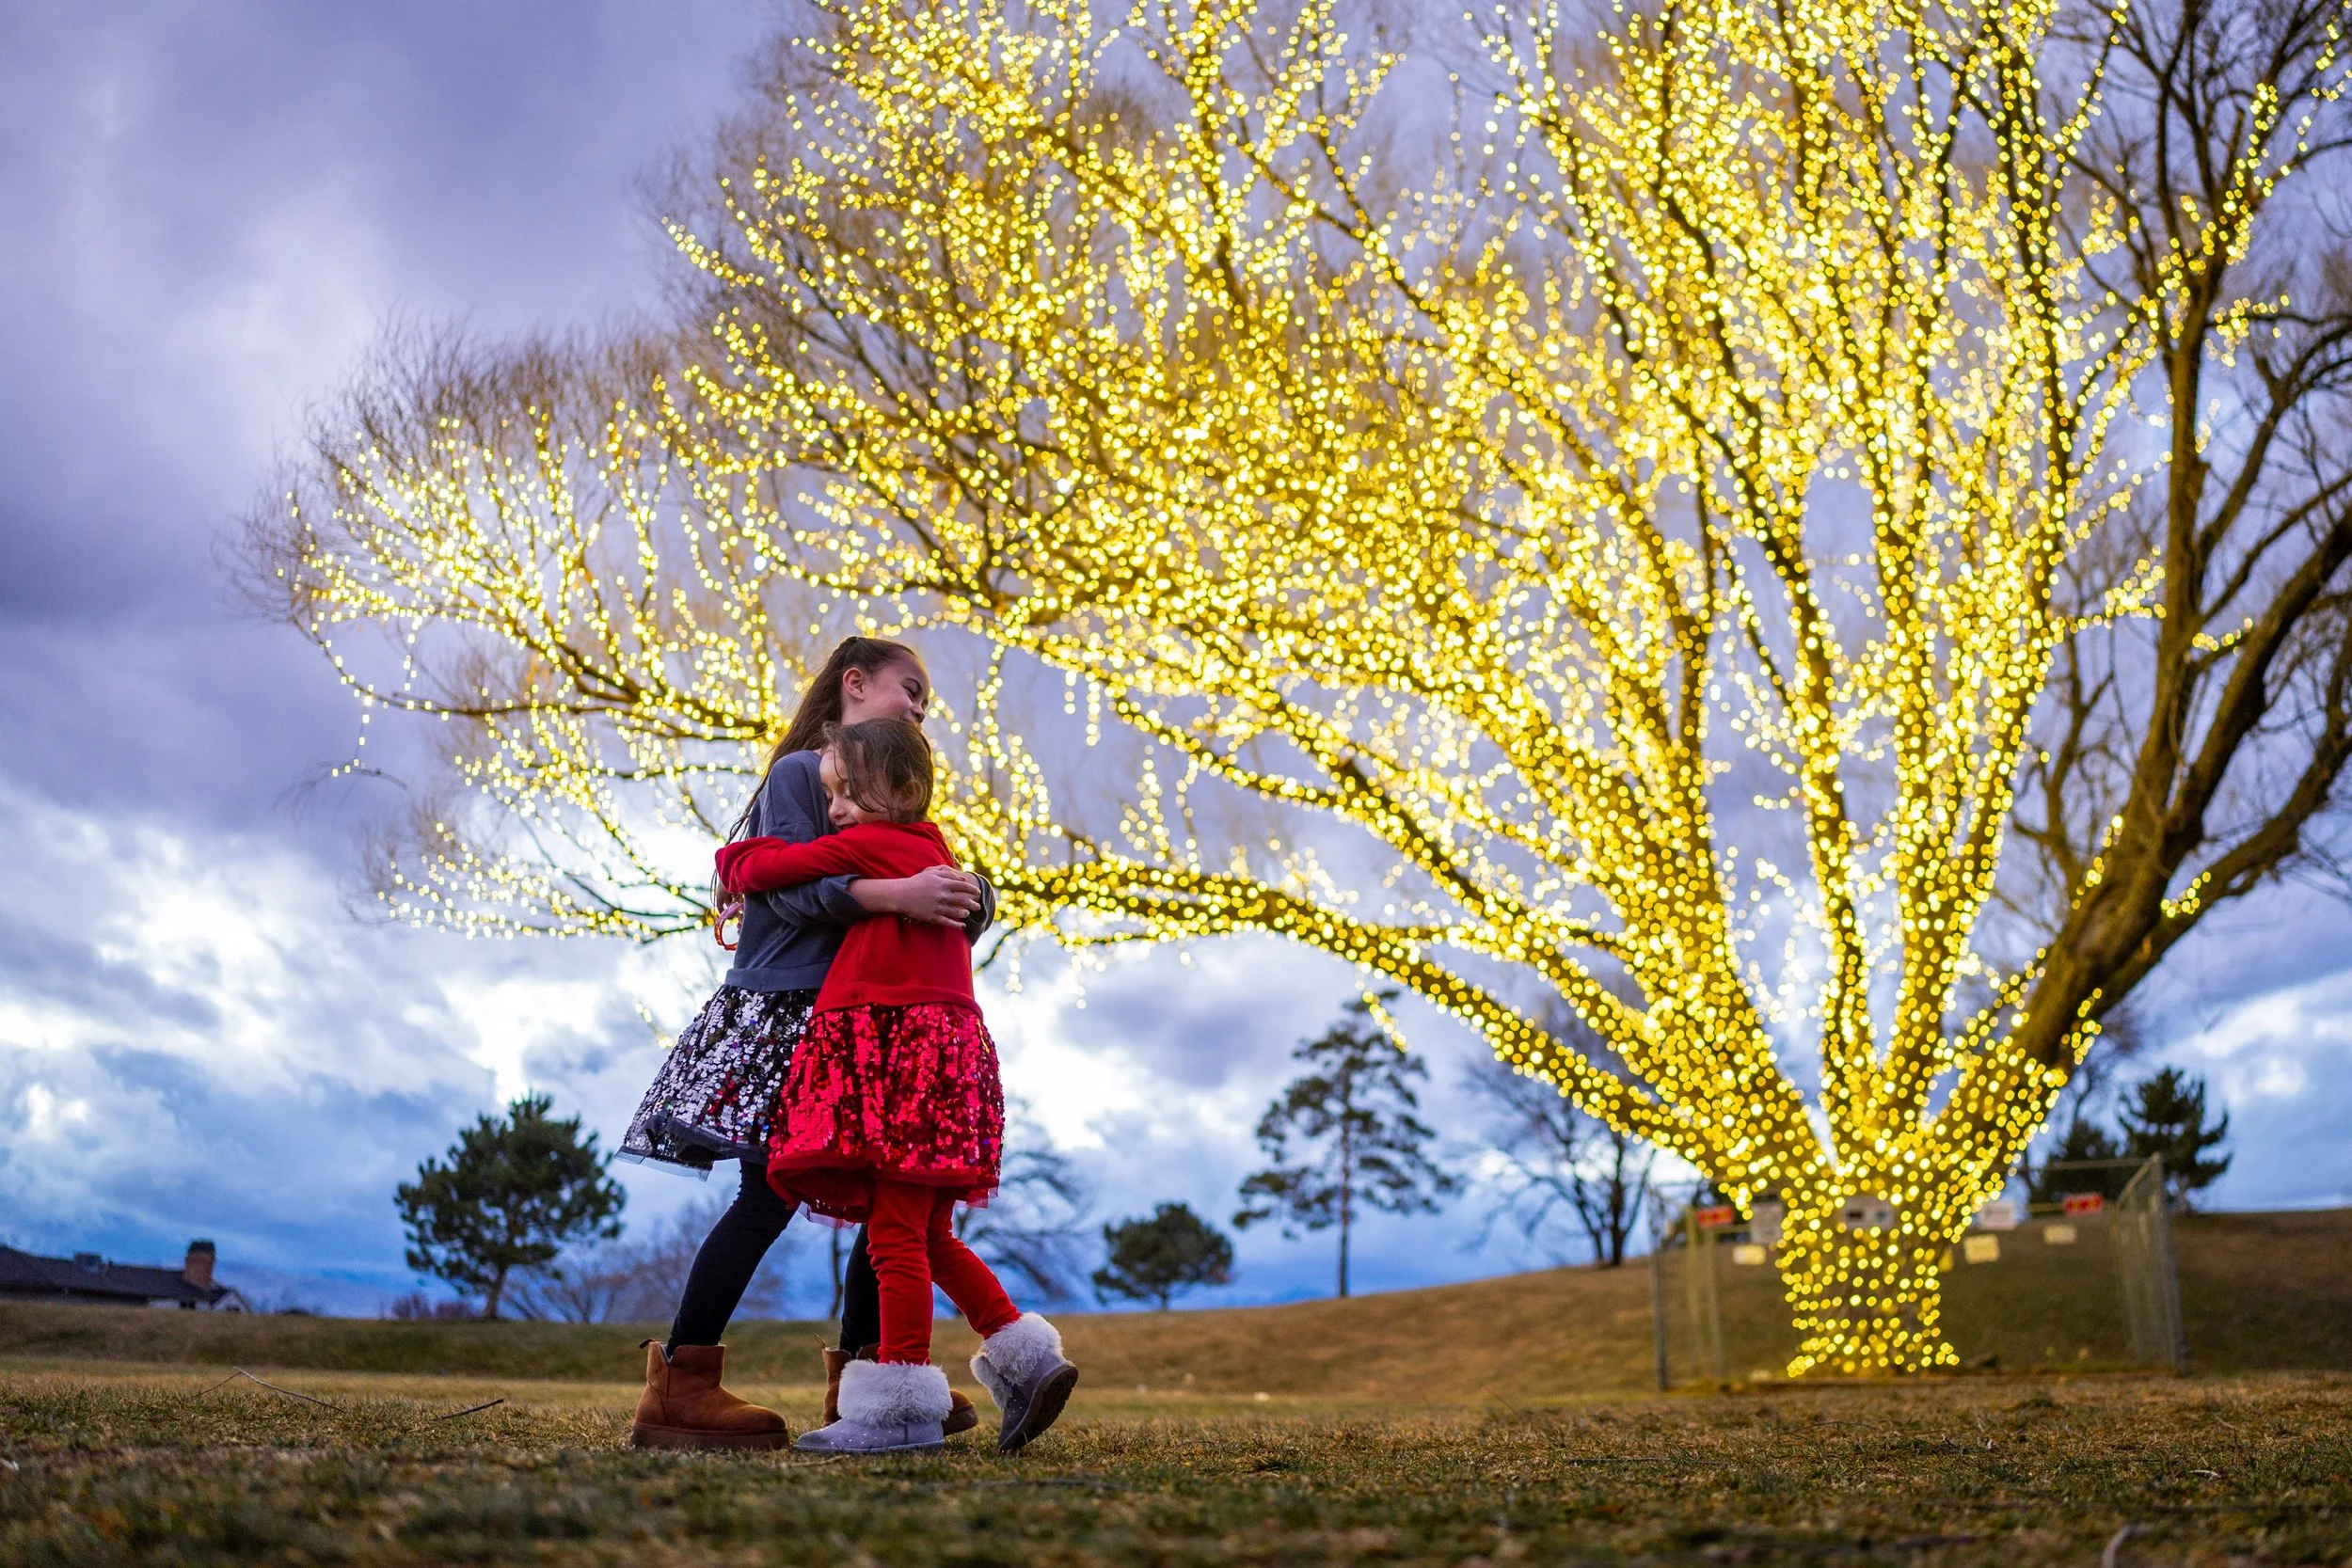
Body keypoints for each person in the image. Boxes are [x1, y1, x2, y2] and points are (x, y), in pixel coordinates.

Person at [624, 637, 992, 1450]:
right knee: (767, 1193)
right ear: (855, 685)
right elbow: (789, 886)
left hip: (862, 1019)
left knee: (884, 1191)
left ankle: (868, 1382)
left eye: (927, 700)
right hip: (793, 1009)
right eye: (911, 689)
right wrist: (900, 890)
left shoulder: (880, 781)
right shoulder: (807, 773)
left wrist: (967, 895)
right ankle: (682, 1383)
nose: (921, 708)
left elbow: (929, 860)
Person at [718, 718, 1079, 1455]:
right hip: (950, 1063)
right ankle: (1026, 1358)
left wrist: (739, 857)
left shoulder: (875, 844)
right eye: (831, 795)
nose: (839, 808)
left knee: (893, 1241)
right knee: (928, 1231)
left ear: (901, 791)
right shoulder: (939, 854)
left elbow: (751, 869)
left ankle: (901, 1407)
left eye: (846, 792)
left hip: (902, 1064)